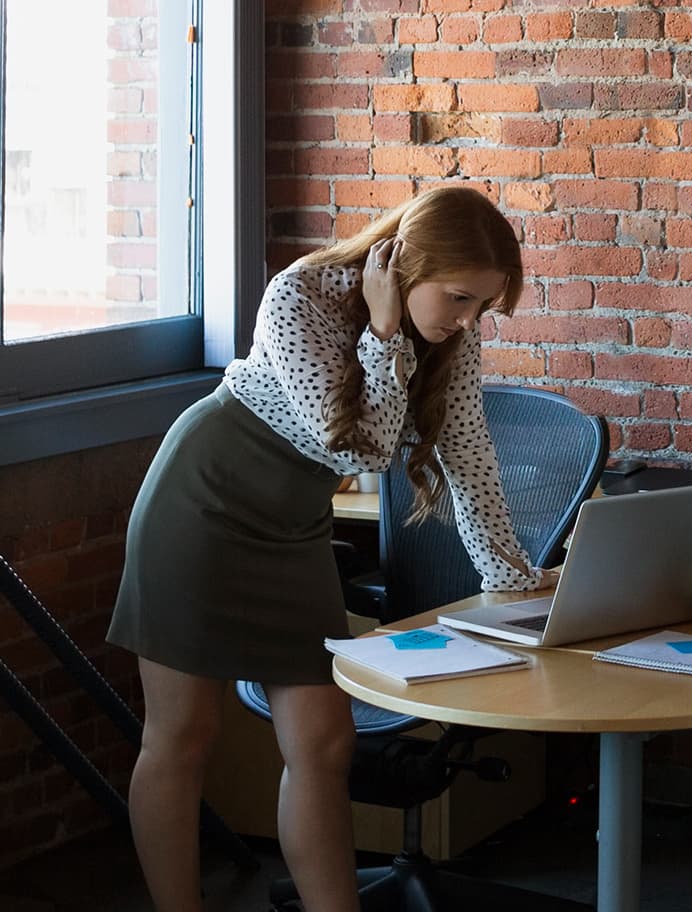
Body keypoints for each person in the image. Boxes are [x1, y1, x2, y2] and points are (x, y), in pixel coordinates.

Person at [107, 186, 552, 912]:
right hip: (203, 504)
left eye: (483, 308)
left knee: (323, 743)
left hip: (294, 525)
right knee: (183, 738)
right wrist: (381, 333)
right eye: (460, 298)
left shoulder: (454, 333)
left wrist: (511, 577)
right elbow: (363, 449)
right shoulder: (300, 296)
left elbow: (468, 456)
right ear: (406, 263)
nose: (469, 322)